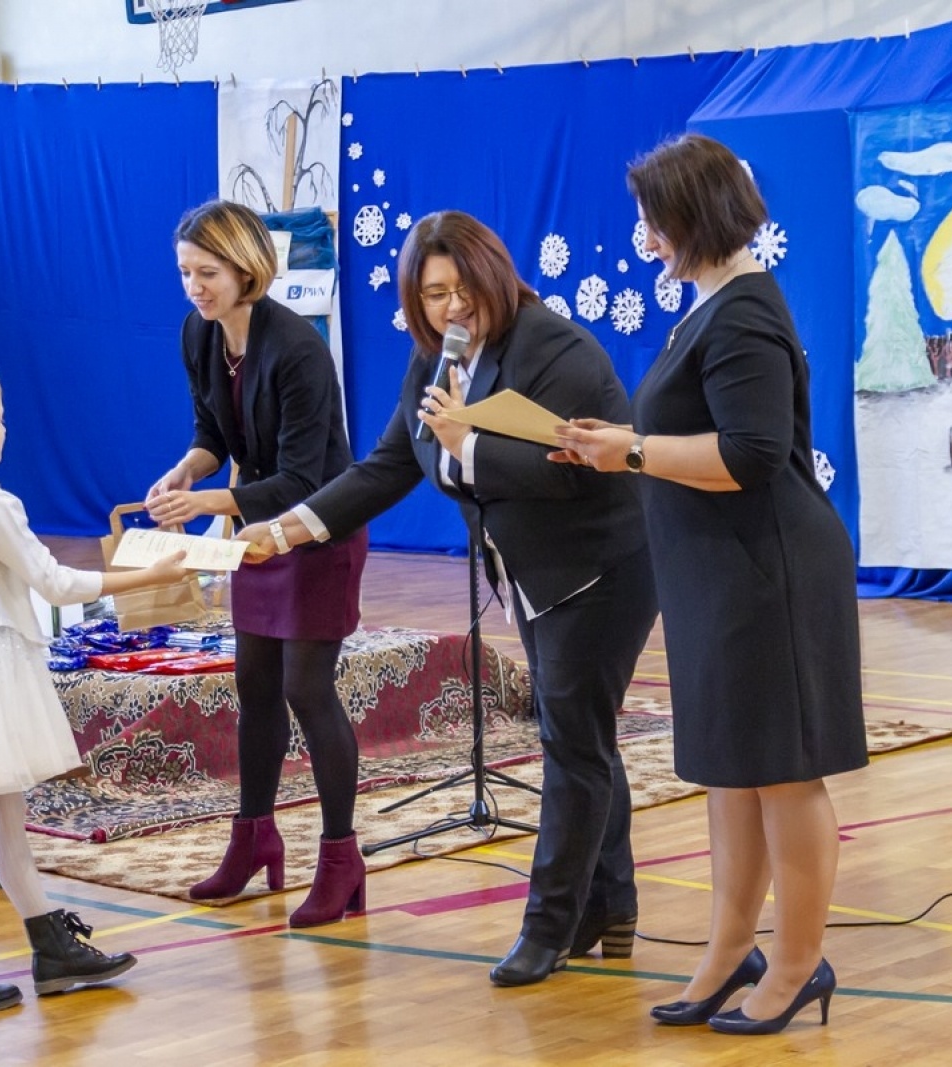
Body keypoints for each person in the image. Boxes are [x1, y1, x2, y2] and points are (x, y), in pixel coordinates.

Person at [237, 210, 659, 987]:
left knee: (573, 744)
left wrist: (470, 443)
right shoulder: (435, 362)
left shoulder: (554, 349)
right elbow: (386, 467)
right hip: (533, 574)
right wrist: (286, 529)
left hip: (600, 571)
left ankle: (549, 925)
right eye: (434, 294)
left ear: (496, 275)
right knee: (580, 736)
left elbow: (568, 470)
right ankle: (610, 904)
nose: (452, 306)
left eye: (463, 288)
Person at [554, 133, 866, 1035]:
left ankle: (798, 962)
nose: (645, 234)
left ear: (694, 216)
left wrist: (632, 450)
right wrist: (612, 449)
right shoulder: (710, 307)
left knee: (784, 774)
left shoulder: (743, 314)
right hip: (715, 572)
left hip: (768, 571)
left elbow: (752, 454)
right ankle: (730, 951)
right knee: (732, 771)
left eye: (654, 218)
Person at [0, 362, 190, 1020]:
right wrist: (150, 574)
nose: (6, 429)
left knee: (3, 817)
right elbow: (54, 584)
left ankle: (51, 946)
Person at [146, 199, 369, 928]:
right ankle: (253, 839)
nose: (194, 287)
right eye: (185, 272)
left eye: (207, 273)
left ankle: (340, 858)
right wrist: (187, 470)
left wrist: (209, 502)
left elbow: (304, 478)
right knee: (255, 686)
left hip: (318, 529)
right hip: (257, 531)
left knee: (308, 688)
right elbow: (213, 431)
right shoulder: (199, 333)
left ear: (247, 270)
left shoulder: (299, 348)